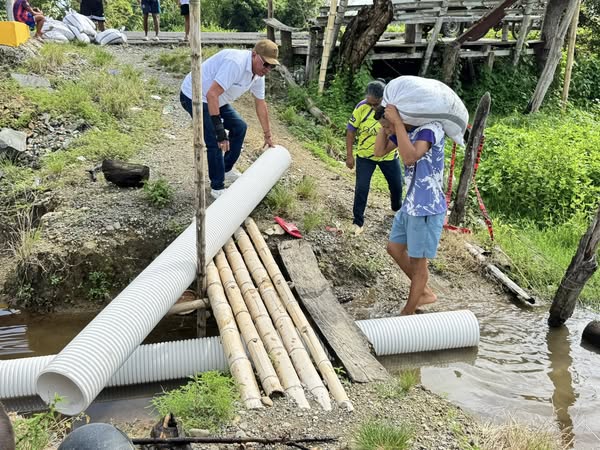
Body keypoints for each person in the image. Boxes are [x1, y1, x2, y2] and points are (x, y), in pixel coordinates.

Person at [179, 39, 277, 199]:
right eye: (265, 64)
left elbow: (260, 103)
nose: (267, 69)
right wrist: (219, 130)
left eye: (272, 66)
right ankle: (217, 187)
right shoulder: (236, 63)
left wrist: (268, 135)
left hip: (216, 99)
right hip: (195, 95)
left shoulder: (259, 75)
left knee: (240, 127)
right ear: (254, 55)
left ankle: (225, 168)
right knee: (215, 140)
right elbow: (211, 94)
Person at [374, 103, 446, 315]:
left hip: (427, 207)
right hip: (411, 205)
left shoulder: (430, 129)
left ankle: (409, 311)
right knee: (394, 248)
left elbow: (410, 157)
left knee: (418, 262)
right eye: (386, 128)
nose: (388, 131)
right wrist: (385, 124)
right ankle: (423, 292)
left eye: (388, 127)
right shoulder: (406, 131)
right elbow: (379, 151)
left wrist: (396, 122)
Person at [346, 79, 403, 236]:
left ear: (383, 99)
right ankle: (358, 222)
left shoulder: (393, 110)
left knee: (397, 186)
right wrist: (349, 155)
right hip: (365, 156)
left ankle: (396, 210)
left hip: (388, 156)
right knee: (362, 188)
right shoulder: (361, 107)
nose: (372, 107)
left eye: (375, 104)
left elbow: (400, 131)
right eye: (369, 103)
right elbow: (351, 131)